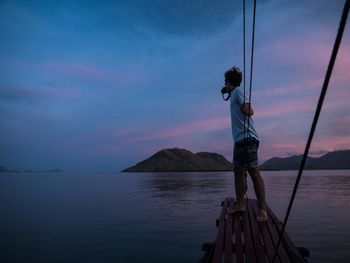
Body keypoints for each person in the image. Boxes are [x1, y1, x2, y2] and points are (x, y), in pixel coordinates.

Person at [223, 66, 268, 222]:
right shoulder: (233, 94)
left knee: (254, 173)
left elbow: (249, 109)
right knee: (238, 172)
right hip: (239, 141)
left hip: (248, 139)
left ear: (229, 82)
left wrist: (249, 110)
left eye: (226, 83)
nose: (225, 86)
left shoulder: (237, 92)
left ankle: (262, 210)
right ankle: (240, 204)